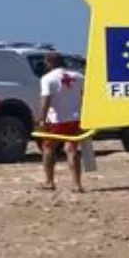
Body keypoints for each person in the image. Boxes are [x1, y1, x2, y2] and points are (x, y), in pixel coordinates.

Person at [35, 51, 86, 193]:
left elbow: (46, 99)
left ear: (48, 63)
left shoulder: (47, 78)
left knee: (48, 148)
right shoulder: (78, 76)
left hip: (57, 120)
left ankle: (49, 181)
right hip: (75, 118)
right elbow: (86, 95)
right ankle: (77, 184)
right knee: (72, 149)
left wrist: (42, 118)